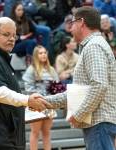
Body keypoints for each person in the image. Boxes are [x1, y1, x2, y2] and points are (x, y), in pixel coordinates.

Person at [0, 17, 53, 150]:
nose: (12, 39)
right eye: (7, 34)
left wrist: (25, 105)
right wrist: (26, 100)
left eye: (14, 35)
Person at [45, 6, 116, 150]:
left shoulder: (94, 46)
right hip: (98, 123)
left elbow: (99, 85)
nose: (70, 29)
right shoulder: (94, 45)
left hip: (99, 123)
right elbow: (78, 92)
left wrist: (79, 114)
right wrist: (45, 101)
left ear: (81, 22)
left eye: (72, 23)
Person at [22, 45, 59, 150]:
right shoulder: (31, 69)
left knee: (47, 132)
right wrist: (39, 97)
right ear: (36, 55)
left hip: (49, 105)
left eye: (44, 52)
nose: (43, 55)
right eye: (40, 53)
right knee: (35, 132)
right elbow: (28, 88)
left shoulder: (51, 69)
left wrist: (54, 95)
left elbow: (57, 86)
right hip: (36, 105)